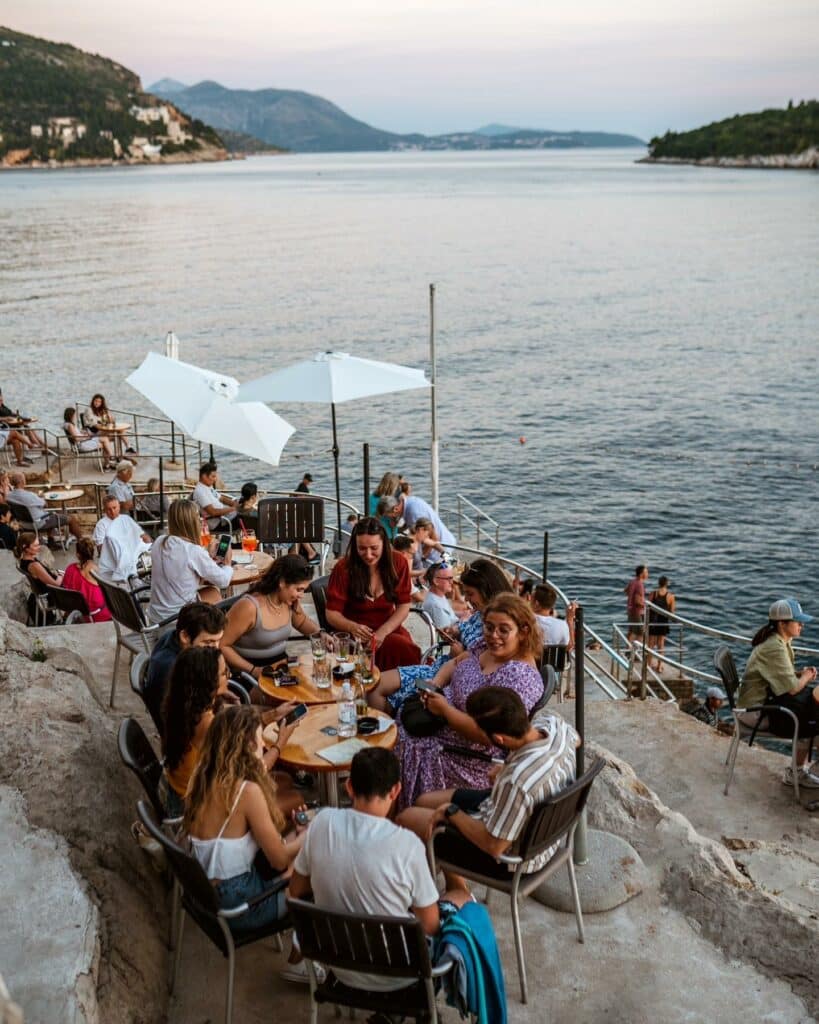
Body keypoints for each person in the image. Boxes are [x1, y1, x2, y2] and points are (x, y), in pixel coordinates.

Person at [288, 747, 468, 990]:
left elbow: (296, 890)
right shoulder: (408, 846)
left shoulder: (321, 823)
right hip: (400, 975)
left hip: (338, 966)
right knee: (463, 899)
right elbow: (430, 926)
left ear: (349, 787)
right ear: (396, 790)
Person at [398, 686, 579, 888]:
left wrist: (452, 813)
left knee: (407, 817)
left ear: (500, 739)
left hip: (512, 861)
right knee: (424, 801)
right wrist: (509, 763)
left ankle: (454, 889)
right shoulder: (554, 726)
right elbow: (577, 740)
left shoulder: (516, 782)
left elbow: (494, 846)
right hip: (539, 833)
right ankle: (444, 872)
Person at [397, 593, 545, 808]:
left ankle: (400, 816)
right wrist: (434, 684)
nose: (494, 635)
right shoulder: (484, 647)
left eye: (504, 630)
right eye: (489, 627)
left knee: (397, 746)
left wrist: (445, 711)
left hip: (465, 756)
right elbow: (456, 662)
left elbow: (488, 735)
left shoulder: (519, 677)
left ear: (523, 632)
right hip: (433, 717)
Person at [185, 705, 309, 933]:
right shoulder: (247, 793)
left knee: (294, 848)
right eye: (260, 740)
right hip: (239, 908)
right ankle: (303, 945)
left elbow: (260, 768)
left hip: (209, 895)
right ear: (246, 748)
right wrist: (308, 837)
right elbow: (279, 861)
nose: (263, 746)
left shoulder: (204, 774)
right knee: (315, 866)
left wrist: (297, 838)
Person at [369, 557, 513, 714]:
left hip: (449, 680)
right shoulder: (481, 614)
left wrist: (459, 657)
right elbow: (467, 629)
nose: (467, 600)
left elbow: (484, 667)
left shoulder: (496, 628)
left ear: (487, 590)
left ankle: (390, 728)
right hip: (439, 669)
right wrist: (455, 631)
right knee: (375, 685)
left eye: (470, 594)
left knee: (384, 694)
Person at [737, 598, 819, 788]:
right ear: (782, 623)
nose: (801, 625)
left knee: (813, 715)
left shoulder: (779, 641)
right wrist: (806, 676)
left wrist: (799, 673)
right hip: (756, 712)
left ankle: (798, 770)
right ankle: (797, 773)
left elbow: (778, 674)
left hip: (764, 702)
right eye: (797, 621)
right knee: (812, 720)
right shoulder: (774, 647)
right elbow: (792, 688)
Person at [325, 516, 420, 671]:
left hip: (388, 630)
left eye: (374, 548)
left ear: (384, 544)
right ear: (354, 546)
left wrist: (383, 632)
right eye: (362, 548)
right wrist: (352, 626)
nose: (368, 555)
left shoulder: (398, 563)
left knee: (402, 646)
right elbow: (331, 613)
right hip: (354, 636)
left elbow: (403, 605)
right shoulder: (343, 568)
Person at [221, 554, 323, 679]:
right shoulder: (249, 607)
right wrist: (254, 670)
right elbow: (222, 645)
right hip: (247, 671)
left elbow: (302, 623)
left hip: (279, 667)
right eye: (299, 589)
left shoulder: (288, 602)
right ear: (282, 583)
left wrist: (321, 633)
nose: (301, 595)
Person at [160, 646, 234, 817]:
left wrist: (272, 715)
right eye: (224, 673)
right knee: (290, 794)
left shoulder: (182, 707)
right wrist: (279, 745)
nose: (228, 677)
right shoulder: (207, 724)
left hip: (177, 793)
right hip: (195, 810)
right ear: (208, 682)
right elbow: (245, 768)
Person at [147, 499, 235, 624]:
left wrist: (206, 557)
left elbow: (179, 568)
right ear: (193, 522)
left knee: (209, 592)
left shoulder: (159, 541)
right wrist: (228, 563)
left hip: (155, 619)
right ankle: (216, 635)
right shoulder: (193, 551)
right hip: (175, 622)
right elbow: (223, 581)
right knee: (214, 594)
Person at [144, 603, 226, 730]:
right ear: (185, 636)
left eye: (218, 641)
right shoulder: (174, 670)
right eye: (208, 642)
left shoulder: (172, 637)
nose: (215, 649)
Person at [7, 472, 83, 542]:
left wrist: (36, 498)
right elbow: (44, 504)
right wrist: (40, 497)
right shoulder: (29, 495)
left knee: (49, 515)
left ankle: (51, 541)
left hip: (23, 523)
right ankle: (82, 541)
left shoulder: (9, 496)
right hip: (38, 523)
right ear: (22, 482)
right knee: (71, 519)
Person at [96, 505, 152, 583]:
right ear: (105, 510)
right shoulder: (103, 526)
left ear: (119, 507)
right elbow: (101, 548)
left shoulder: (126, 519)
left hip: (137, 557)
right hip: (120, 563)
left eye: (114, 508)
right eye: (109, 509)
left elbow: (144, 536)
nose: (112, 511)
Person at [62, 537, 111, 622]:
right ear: (92, 552)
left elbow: (65, 589)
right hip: (96, 614)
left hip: (77, 612)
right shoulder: (96, 570)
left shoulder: (70, 569)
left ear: (77, 554)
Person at [191, 461, 237, 530]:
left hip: (224, 516)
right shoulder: (200, 492)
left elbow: (222, 498)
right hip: (217, 522)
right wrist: (232, 509)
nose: (215, 479)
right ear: (204, 476)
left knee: (245, 514)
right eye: (213, 476)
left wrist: (234, 503)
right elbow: (213, 512)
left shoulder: (208, 487)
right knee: (245, 518)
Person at [0, 387, 45, 453]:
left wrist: (20, 416)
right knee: (27, 429)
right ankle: (38, 446)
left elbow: (11, 413)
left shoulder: (3, 406)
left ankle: (43, 446)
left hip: (13, 424)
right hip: (7, 427)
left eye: (1, 396)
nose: (1, 399)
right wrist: (6, 418)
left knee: (28, 427)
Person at [648, 575, 676, 671]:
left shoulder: (653, 594)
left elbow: (648, 607)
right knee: (661, 645)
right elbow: (672, 612)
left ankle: (648, 664)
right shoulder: (671, 596)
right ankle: (659, 666)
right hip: (663, 622)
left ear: (658, 583)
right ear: (667, 584)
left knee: (650, 644)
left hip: (653, 622)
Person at [421, 562, 459, 630]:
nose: (452, 582)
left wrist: (463, 615)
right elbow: (446, 635)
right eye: (449, 579)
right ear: (436, 581)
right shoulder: (435, 606)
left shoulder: (438, 596)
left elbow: (449, 615)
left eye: (452, 578)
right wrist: (464, 620)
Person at [625, 565, 649, 642]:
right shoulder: (639, 584)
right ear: (641, 574)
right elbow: (637, 601)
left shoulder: (633, 582)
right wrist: (646, 606)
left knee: (631, 631)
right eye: (646, 572)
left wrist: (630, 599)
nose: (648, 574)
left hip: (630, 610)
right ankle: (637, 652)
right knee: (640, 633)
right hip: (637, 611)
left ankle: (628, 650)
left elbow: (626, 591)